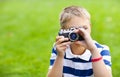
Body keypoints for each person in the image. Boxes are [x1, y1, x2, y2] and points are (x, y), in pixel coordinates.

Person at [47, 6, 112, 77]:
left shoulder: (101, 50)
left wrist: (93, 50)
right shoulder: (60, 48)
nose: (80, 33)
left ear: (90, 27)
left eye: (84, 28)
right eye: (73, 30)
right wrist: (60, 56)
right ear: (63, 31)